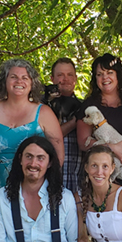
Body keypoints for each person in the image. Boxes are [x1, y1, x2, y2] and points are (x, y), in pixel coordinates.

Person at [0, 58, 64, 194]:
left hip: (36, 191)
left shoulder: (44, 113)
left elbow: (58, 154)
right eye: (13, 77)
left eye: (25, 78)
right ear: (4, 81)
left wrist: (46, 185)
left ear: (32, 84)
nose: (19, 81)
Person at [76, 53, 122, 185]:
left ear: (118, 75)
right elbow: (83, 142)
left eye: (110, 72)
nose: (105, 78)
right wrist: (112, 148)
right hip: (103, 175)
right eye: (99, 74)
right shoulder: (90, 107)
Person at [48, 58, 82, 192]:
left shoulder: (86, 107)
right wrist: (74, 122)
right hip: (48, 183)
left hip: (78, 185)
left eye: (69, 75)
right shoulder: (41, 108)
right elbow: (48, 137)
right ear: (52, 78)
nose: (65, 79)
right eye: (60, 75)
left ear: (75, 78)